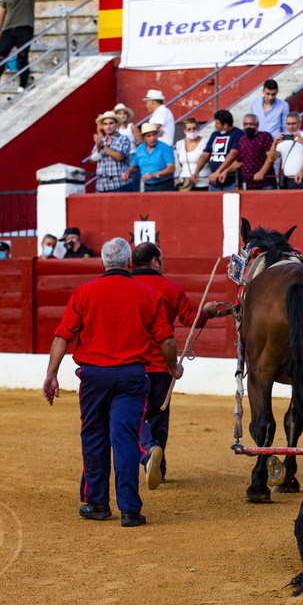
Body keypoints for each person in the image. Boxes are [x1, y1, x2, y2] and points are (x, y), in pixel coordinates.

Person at [43, 237, 182, 528]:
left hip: (95, 376)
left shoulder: (83, 292)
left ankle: (96, 503)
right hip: (132, 375)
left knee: (94, 436)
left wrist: (51, 374)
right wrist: (174, 369)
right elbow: (166, 340)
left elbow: (63, 336)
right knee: (126, 440)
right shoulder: (147, 294)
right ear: (129, 263)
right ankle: (130, 509)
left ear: (103, 263)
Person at [130, 242, 208, 490]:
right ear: (155, 261)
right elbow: (191, 319)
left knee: (133, 416)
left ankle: (148, 454)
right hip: (162, 366)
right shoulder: (171, 288)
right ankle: (159, 468)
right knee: (158, 417)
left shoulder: (124, 286)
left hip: (130, 364)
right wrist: (209, 312)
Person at [0, 0, 36, 92]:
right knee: (1, 54)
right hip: (8, 28)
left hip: (25, 27)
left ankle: (22, 85)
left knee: (22, 55)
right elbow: (2, 13)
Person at [194, 109, 242, 191]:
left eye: (217, 123)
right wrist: (197, 171)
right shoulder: (214, 134)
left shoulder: (238, 134)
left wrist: (218, 171)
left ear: (225, 125)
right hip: (214, 181)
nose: (215, 125)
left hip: (230, 183)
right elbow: (205, 154)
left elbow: (233, 153)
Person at [266, 112, 303, 189]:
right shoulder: (283, 140)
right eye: (288, 124)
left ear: (300, 123)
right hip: (288, 181)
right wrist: (274, 144)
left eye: (293, 123)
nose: (291, 126)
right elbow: (272, 158)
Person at [90, 110, 134, 193]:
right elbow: (92, 160)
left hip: (119, 185)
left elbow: (119, 157)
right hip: (101, 186)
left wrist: (102, 146)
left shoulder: (123, 138)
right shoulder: (101, 140)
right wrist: (98, 149)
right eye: (105, 124)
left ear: (117, 125)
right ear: (102, 126)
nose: (108, 126)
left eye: (111, 123)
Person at [125, 123, 175, 192]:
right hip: (147, 186)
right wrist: (128, 172)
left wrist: (153, 175)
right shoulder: (140, 149)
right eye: (149, 136)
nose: (152, 138)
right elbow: (134, 166)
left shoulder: (165, 147)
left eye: (154, 135)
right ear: (144, 138)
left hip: (165, 185)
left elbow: (171, 168)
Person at [236, 113, 276, 190]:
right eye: (246, 124)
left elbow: (270, 157)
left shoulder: (265, 136)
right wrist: (225, 171)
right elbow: (239, 161)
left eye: (251, 124)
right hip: (249, 185)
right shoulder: (242, 140)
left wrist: (262, 172)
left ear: (257, 126)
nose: (248, 126)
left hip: (266, 184)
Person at [175, 117, 211, 190]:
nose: (192, 131)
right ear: (185, 130)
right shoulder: (180, 144)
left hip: (203, 181)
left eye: (194, 128)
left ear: (198, 128)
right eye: (189, 129)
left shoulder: (206, 142)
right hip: (185, 183)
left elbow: (207, 158)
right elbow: (181, 163)